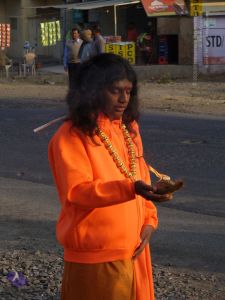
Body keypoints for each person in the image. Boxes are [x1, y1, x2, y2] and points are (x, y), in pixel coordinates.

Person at [48, 53, 172, 300]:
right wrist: (131, 189)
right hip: (98, 257)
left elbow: (139, 178)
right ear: (93, 91)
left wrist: (149, 220)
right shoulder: (71, 136)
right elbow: (78, 192)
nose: (124, 99)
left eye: (128, 91)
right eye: (116, 91)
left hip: (135, 251)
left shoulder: (128, 130)